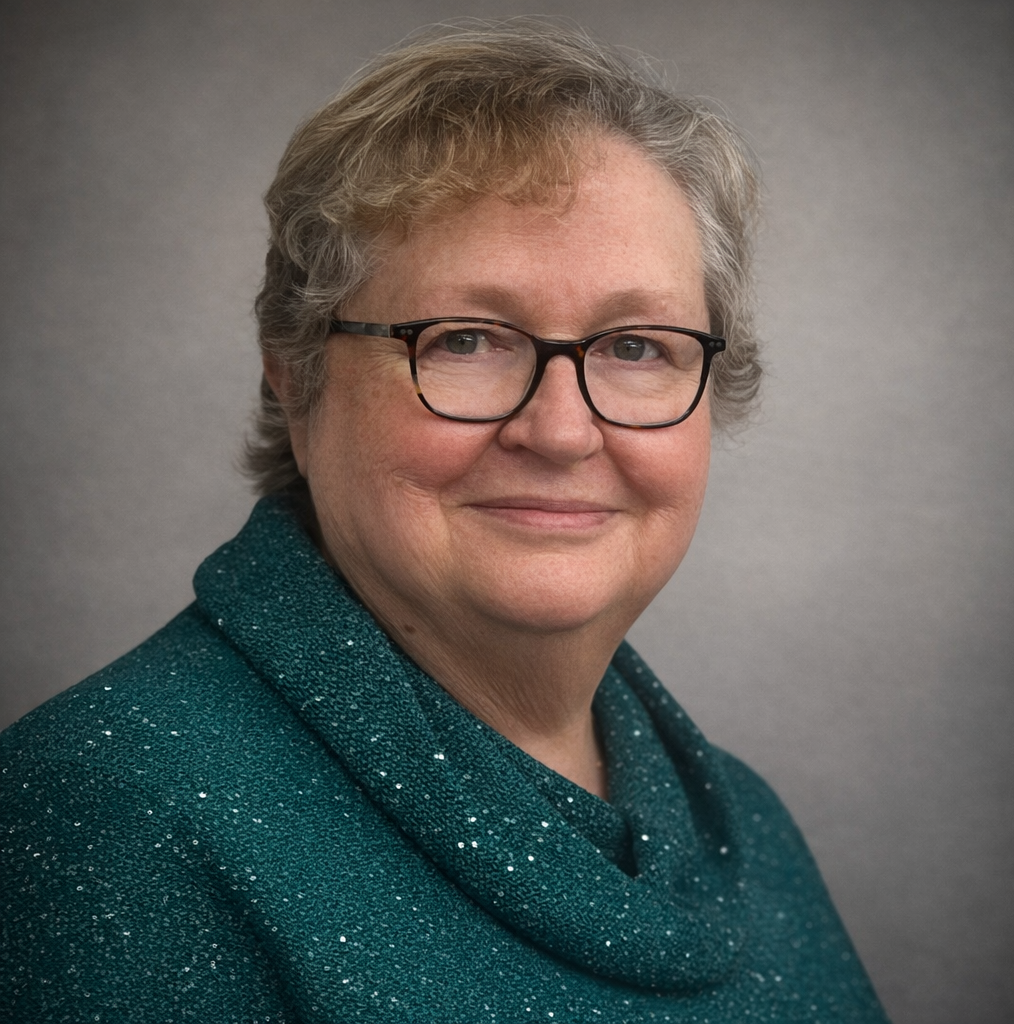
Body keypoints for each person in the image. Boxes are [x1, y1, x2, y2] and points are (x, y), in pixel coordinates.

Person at [0, 23, 890, 1023]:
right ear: (296, 378)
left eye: (636, 345)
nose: (561, 429)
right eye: (466, 338)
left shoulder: (741, 824)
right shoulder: (103, 814)